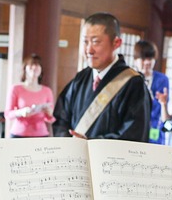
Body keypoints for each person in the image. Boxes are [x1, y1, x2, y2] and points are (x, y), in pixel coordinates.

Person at [53, 13, 149, 142]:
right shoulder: (80, 78)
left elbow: (133, 134)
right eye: (85, 42)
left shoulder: (133, 84)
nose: (89, 50)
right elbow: (61, 118)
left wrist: (90, 143)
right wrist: (68, 140)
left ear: (116, 43)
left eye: (95, 42)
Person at [5, 53, 54, 138]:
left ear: (41, 69)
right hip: (19, 134)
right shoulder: (15, 88)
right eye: (31, 65)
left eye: (37, 65)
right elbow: (8, 114)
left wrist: (49, 112)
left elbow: (50, 118)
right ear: (25, 68)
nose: (34, 68)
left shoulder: (47, 91)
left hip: (41, 135)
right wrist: (21, 112)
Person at [133, 40, 170, 144]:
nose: (147, 62)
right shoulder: (131, 79)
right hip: (135, 133)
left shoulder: (162, 80)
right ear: (135, 60)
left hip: (155, 133)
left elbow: (164, 118)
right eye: (143, 58)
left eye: (150, 58)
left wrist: (163, 104)